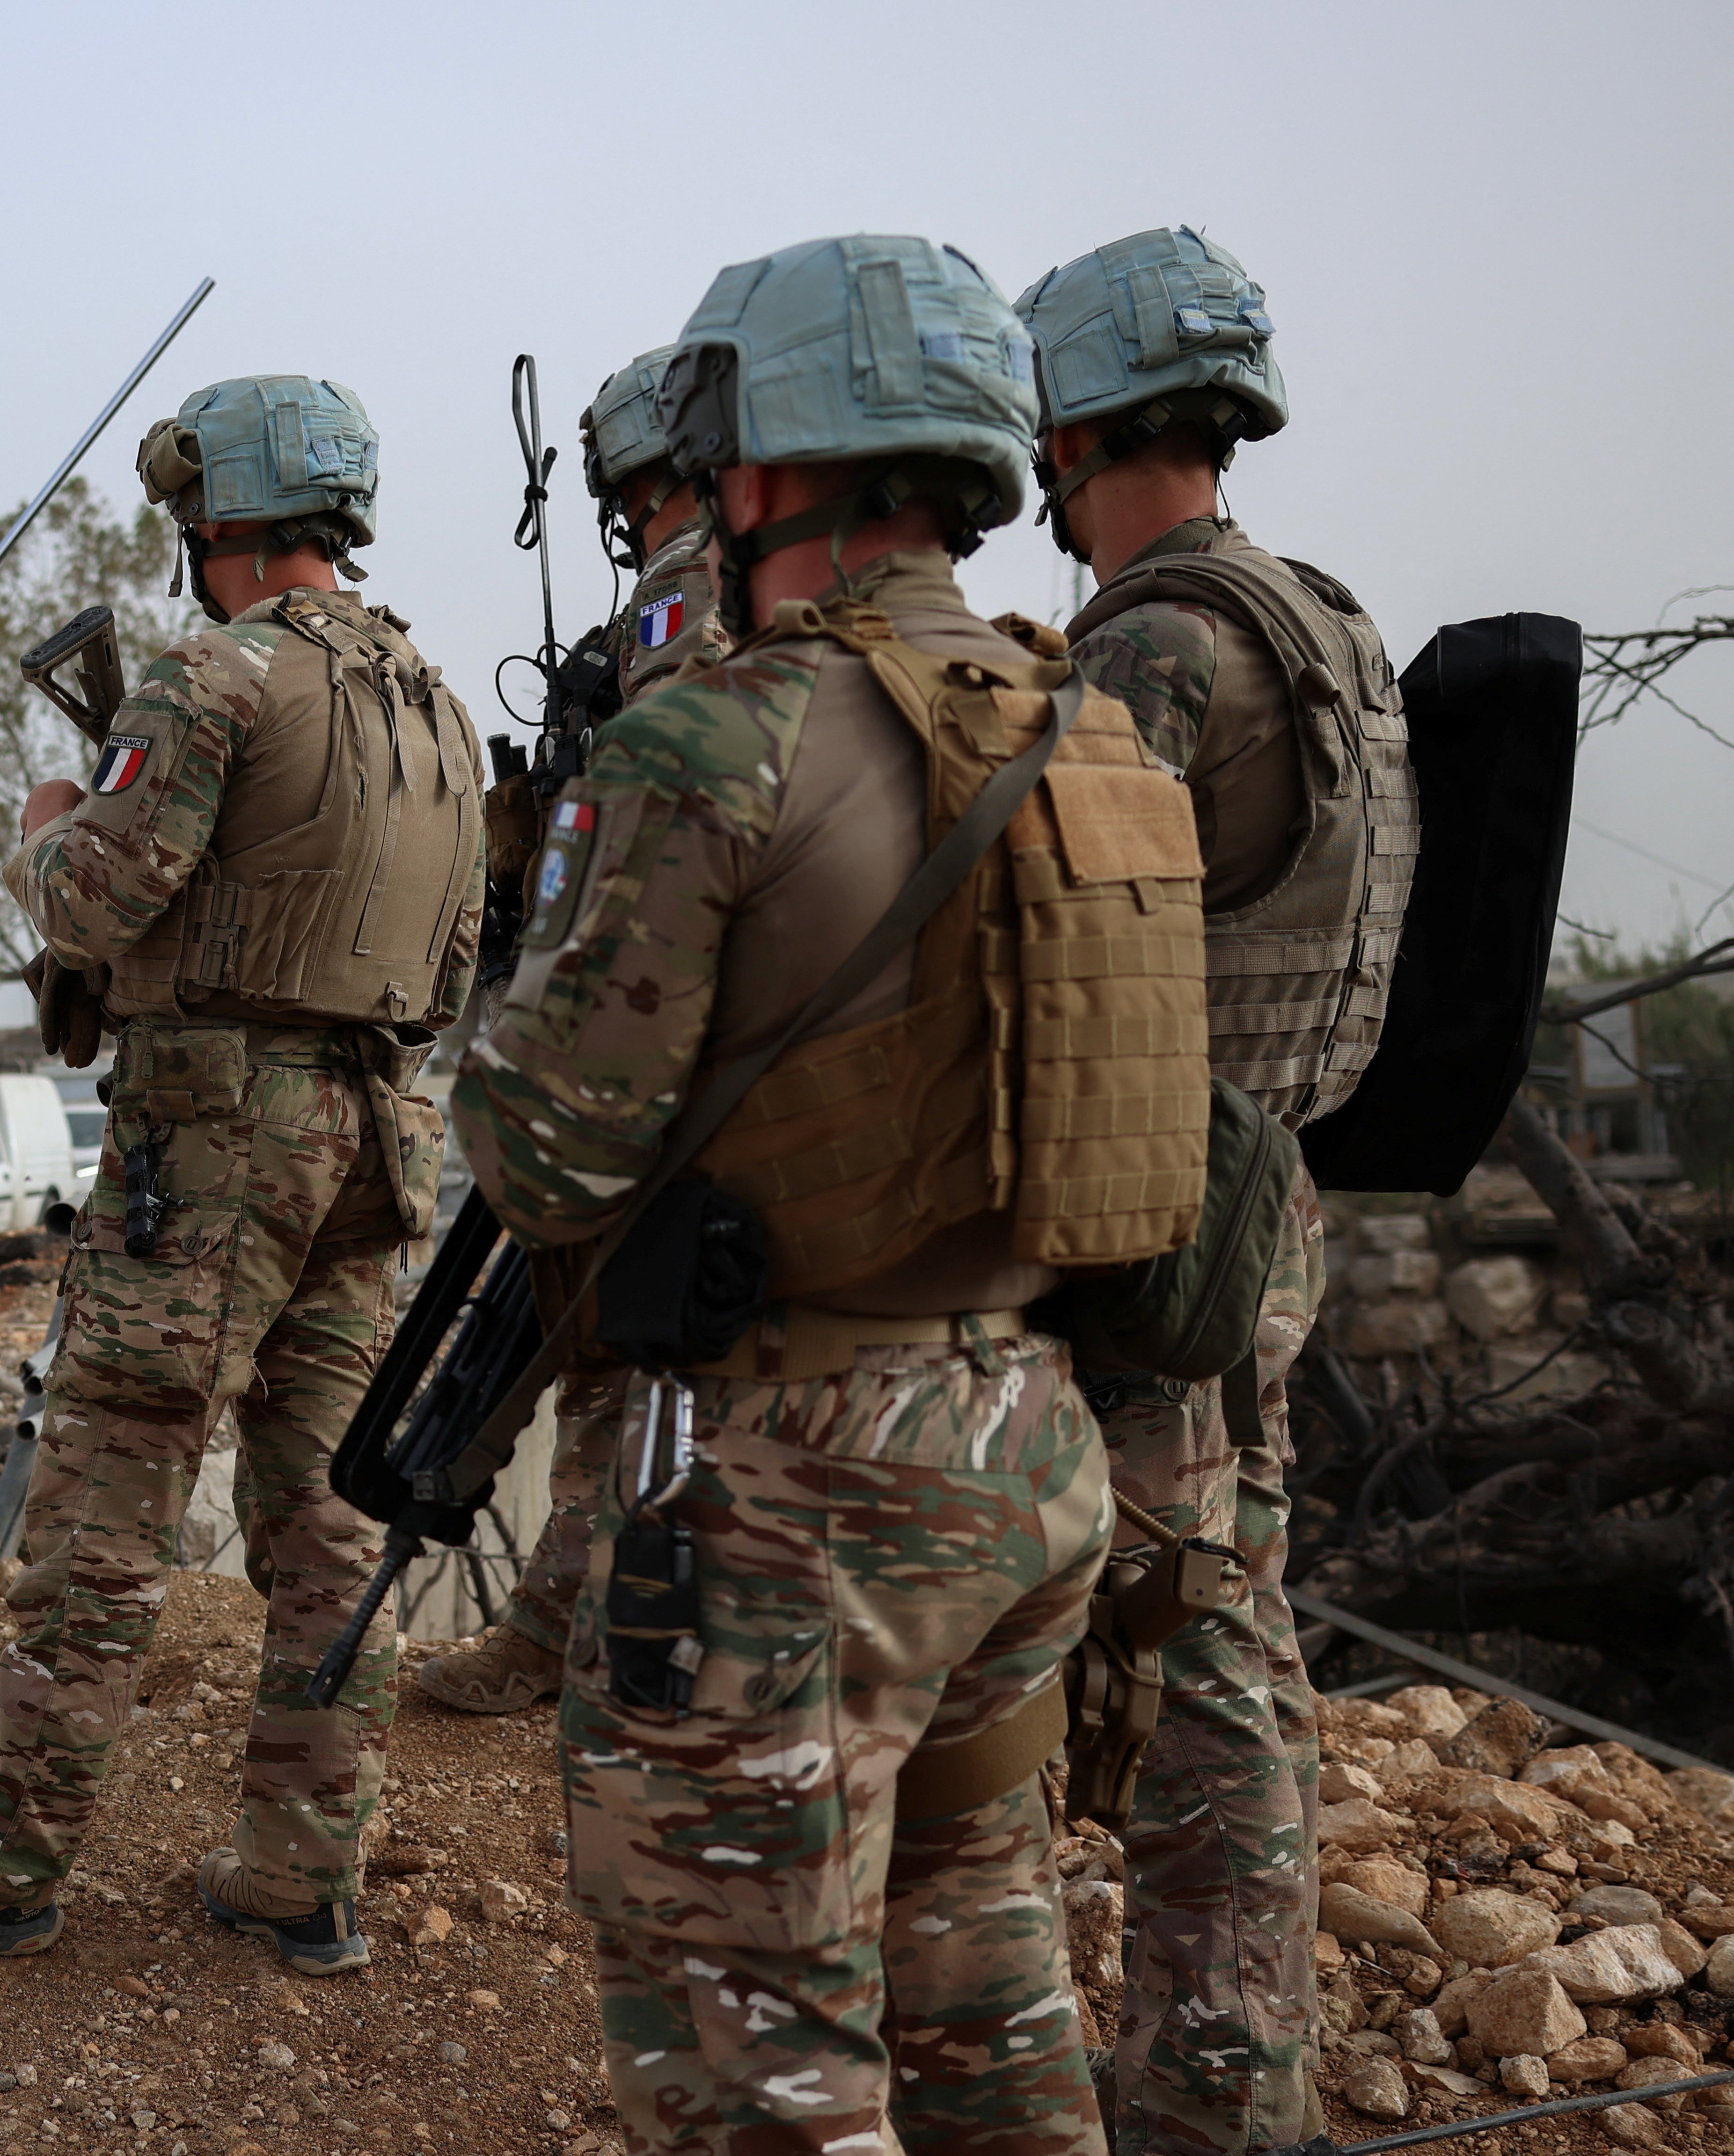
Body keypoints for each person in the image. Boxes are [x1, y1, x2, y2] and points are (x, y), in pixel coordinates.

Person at [458, 233, 1206, 2154]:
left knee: (759, 2075)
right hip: (1028, 1454)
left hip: (790, 1475)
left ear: (766, 463)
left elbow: (543, 1153)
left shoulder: (711, 737)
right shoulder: (1091, 730)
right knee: (985, 1990)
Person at [0, 374, 483, 1975]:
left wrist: (45, 825)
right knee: (324, 1523)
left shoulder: (211, 676)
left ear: (214, 519)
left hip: (213, 1151)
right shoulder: (436, 706)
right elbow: (453, 963)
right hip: (377, 1143)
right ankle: (303, 1870)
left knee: (106, 1513)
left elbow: (97, 901)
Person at [1022, 225, 1412, 2156]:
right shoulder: (1315, 611)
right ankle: (1220, 2074)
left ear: (1071, 419)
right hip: (1260, 1200)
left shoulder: (1153, 644)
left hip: (1155, 1211)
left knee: (1180, 1660)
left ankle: (1203, 2094)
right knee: (1223, 1629)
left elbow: (1044, 937)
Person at [417, 346, 725, 1720]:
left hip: (659, 1037)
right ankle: (568, 1624)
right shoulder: (772, 586)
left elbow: (666, 825)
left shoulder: (687, 593)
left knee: (613, 1348)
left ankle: (572, 1639)